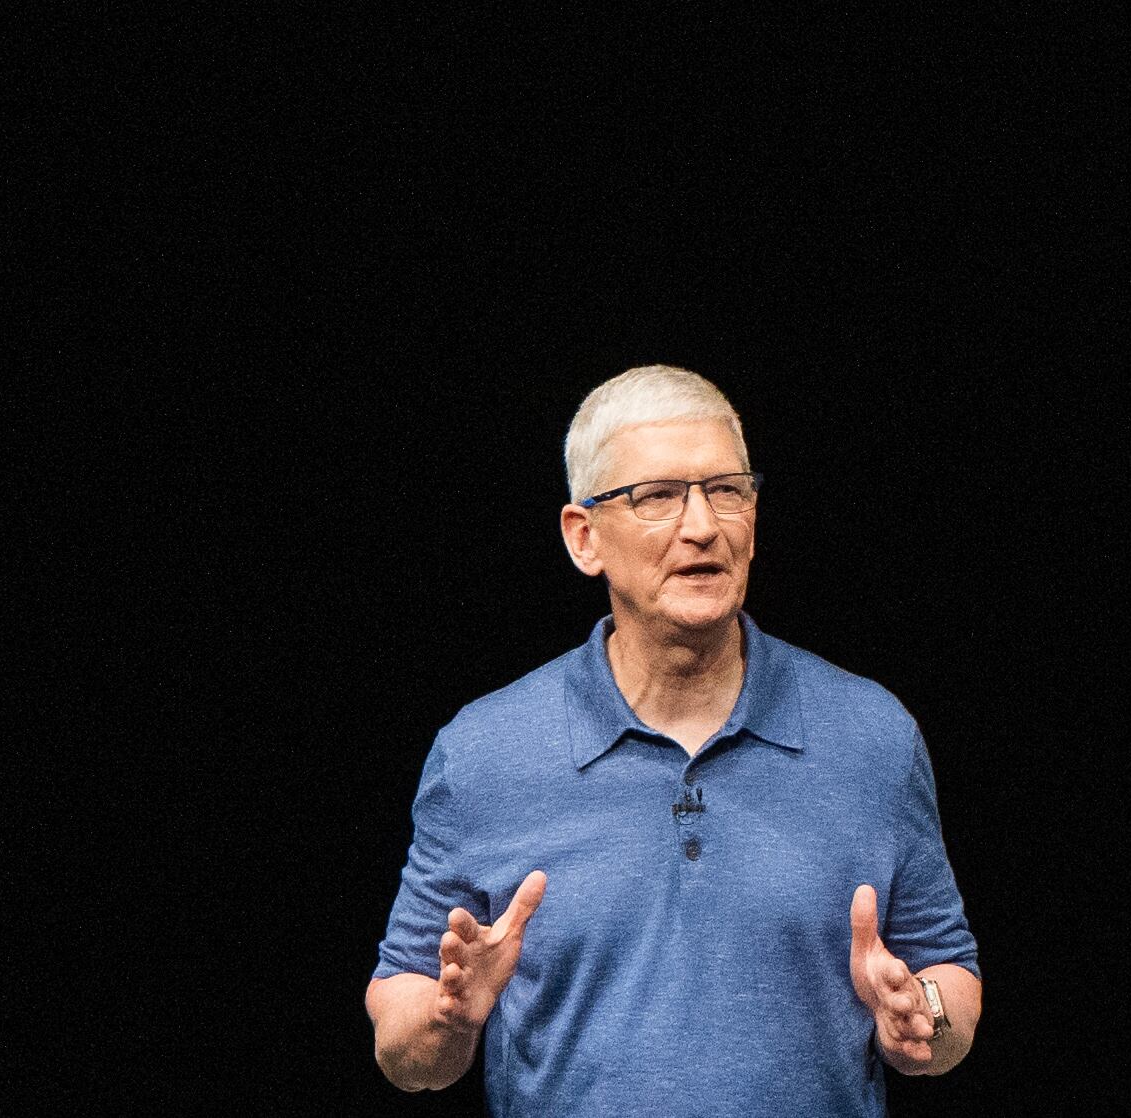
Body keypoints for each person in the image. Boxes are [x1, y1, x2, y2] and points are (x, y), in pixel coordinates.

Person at [367, 365, 983, 1104]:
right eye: (656, 497)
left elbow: (948, 979)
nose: (702, 525)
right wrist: (449, 1021)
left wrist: (923, 1018)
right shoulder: (484, 751)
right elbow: (403, 1047)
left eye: (727, 490)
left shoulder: (872, 733)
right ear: (584, 537)